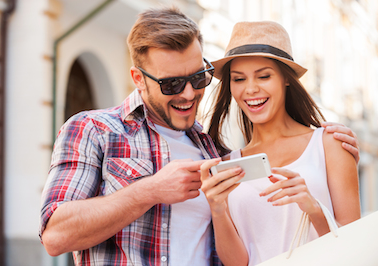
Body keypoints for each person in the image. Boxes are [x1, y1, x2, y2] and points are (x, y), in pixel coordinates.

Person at [39, 7, 359, 266]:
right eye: (172, 84)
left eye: (197, 78)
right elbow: (55, 236)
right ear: (138, 78)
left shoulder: (214, 153)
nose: (190, 94)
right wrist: (149, 190)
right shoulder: (94, 129)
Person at [200, 21, 361, 266]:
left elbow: (354, 249)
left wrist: (314, 209)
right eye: (239, 79)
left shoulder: (330, 144)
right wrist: (217, 209)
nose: (251, 89)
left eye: (264, 76)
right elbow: (238, 263)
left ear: (286, 79)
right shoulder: (228, 164)